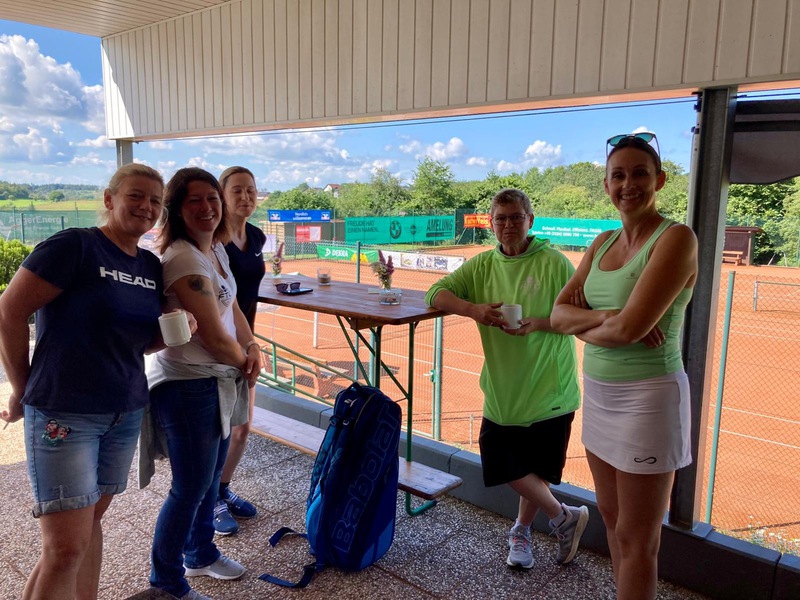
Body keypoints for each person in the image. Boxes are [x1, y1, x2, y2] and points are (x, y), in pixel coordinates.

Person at [0, 164, 167, 600]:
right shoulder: (74, 246)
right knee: (65, 548)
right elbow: (9, 311)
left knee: (86, 527)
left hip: (124, 411)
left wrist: (174, 332)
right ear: (110, 199)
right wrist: (22, 388)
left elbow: (139, 342)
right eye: (136, 195)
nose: (146, 206)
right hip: (65, 412)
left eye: (155, 200)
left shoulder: (150, 265)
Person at [551, 132, 697, 600]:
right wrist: (608, 317)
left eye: (639, 173)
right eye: (618, 175)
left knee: (638, 539)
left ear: (660, 179)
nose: (628, 184)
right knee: (613, 521)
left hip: (647, 399)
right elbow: (557, 316)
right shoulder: (602, 242)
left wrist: (601, 323)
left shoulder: (675, 238)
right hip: (599, 395)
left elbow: (630, 331)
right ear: (606, 184)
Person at [425, 188, 589, 571]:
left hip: (551, 388)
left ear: (531, 220)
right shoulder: (481, 266)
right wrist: (473, 309)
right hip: (503, 389)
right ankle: (564, 517)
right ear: (491, 224)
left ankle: (522, 530)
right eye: (501, 219)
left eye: (516, 217)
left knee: (535, 469)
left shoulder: (554, 263)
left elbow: (582, 316)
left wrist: (540, 324)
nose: (509, 225)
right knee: (498, 456)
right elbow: (436, 293)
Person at [145, 167, 261, 600]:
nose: (207, 207)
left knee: (209, 480)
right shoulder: (184, 258)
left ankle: (200, 553)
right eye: (194, 200)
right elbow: (211, 335)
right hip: (189, 385)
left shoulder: (214, 250)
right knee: (190, 488)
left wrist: (252, 345)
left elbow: (234, 310)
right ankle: (167, 582)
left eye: (212, 197)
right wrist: (245, 363)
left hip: (216, 378)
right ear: (177, 209)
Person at [213, 166, 266, 535]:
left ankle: (222, 489)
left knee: (243, 427)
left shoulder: (257, 236)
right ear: (222, 195)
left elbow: (250, 282)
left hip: (246, 340)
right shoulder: (213, 240)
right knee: (220, 430)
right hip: (219, 344)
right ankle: (209, 501)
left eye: (251, 190)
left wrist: (250, 342)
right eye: (237, 191)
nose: (246, 197)